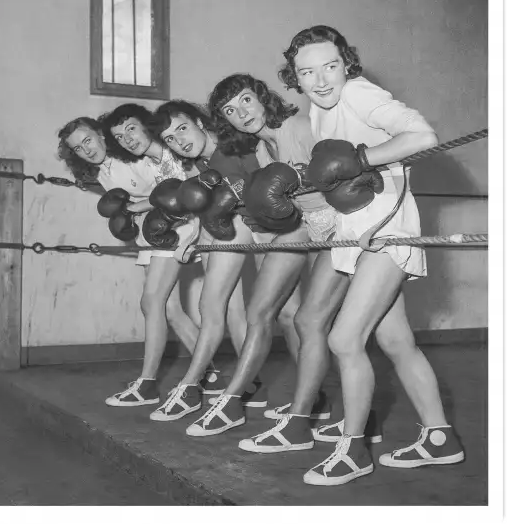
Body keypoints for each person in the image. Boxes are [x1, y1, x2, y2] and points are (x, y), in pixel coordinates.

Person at [243, 25, 464, 486]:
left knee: (344, 339)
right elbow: (336, 182)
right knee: (396, 342)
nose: (321, 80)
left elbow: (422, 136)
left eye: (330, 66)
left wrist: (364, 159)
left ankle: (354, 449)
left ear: (346, 63)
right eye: (307, 72)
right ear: (294, 77)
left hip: (387, 234)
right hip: (358, 236)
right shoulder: (321, 111)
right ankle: (440, 437)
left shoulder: (360, 93)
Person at [183, 74, 338, 437]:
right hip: (301, 225)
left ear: (262, 97)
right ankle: (235, 400)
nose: (242, 113)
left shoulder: (300, 126)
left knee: (322, 326)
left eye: (246, 101)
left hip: (337, 227)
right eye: (231, 110)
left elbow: (344, 170)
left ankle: (333, 411)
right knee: (260, 310)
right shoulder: (263, 148)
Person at [147, 99, 314, 420]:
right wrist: (192, 234)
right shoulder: (202, 164)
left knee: (291, 315)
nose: (179, 141)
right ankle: (193, 386)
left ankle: (310, 400)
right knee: (232, 308)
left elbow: (273, 183)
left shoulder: (237, 146)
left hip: (278, 230)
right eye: (170, 138)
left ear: (200, 121)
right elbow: (213, 203)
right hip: (248, 231)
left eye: (182, 128)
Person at [57, 108, 217, 408]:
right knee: (169, 310)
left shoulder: (130, 158)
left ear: (101, 135)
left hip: (172, 229)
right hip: (152, 235)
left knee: (151, 302)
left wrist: (133, 208)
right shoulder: (103, 171)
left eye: (88, 140)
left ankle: (147, 383)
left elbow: (168, 190)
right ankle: (211, 372)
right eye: (78, 147)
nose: (86, 149)